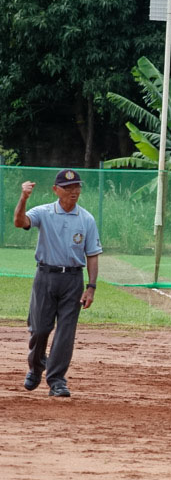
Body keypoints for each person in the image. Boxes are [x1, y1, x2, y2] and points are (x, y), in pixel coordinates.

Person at [13, 170, 102, 397]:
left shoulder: (87, 219)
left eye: (76, 187)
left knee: (65, 332)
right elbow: (19, 222)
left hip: (73, 279)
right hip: (45, 277)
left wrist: (91, 287)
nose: (74, 192)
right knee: (40, 329)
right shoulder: (44, 212)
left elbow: (92, 254)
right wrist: (23, 198)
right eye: (68, 188)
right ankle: (36, 366)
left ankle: (56, 380)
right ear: (56, 190)